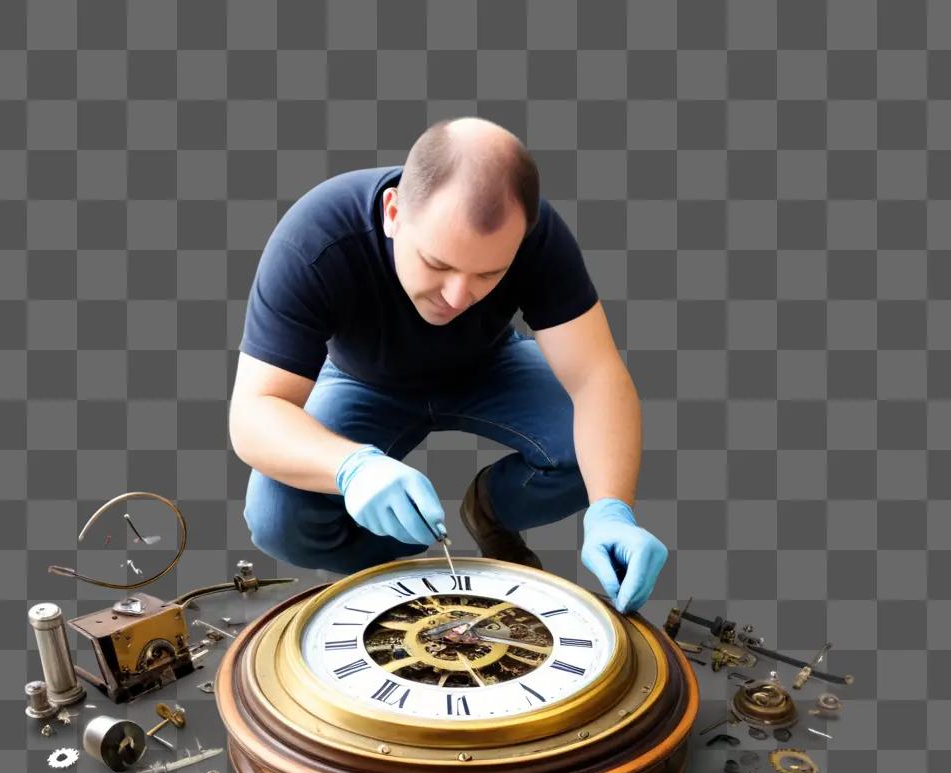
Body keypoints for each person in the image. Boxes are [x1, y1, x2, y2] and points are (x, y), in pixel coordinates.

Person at [229, 117, 667, 614]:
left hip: (489, 365)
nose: (458, 297)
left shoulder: (536, 231)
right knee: (277, 517)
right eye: (437, 263)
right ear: (394, 213)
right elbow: (254, 413)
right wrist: (351, 468)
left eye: (488, 273)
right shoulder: (312, 239)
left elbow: (597, 380)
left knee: (596, 455)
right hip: (362, 380)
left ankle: (491, 510)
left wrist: (612, 510)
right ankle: (414, 561)